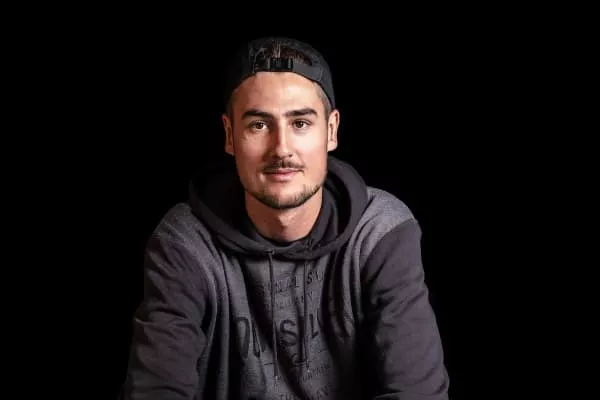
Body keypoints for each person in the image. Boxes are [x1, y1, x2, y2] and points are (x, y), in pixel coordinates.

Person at [121, 36, 450, 400]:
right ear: (230, 135)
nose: (281, 149)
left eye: (301, 123)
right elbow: (155, 390)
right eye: (258, 125)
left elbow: (416, 392)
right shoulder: (186, 242)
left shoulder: (379, 232)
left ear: (331, 131)